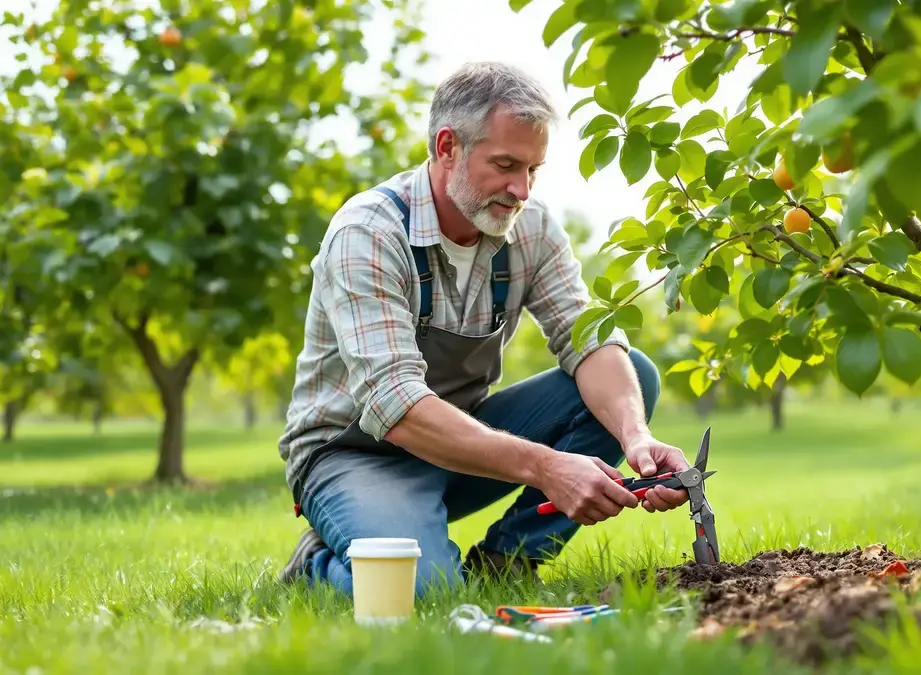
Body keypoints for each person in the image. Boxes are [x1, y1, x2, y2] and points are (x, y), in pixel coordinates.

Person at [275, 61, 691, 599]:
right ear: (447, 146)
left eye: (533, 169)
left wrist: (636, 438)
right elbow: (396, 405)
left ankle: (506, 563)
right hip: (355, 454)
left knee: (632, 372)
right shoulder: (368, 235)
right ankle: (316, 563)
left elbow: (587, 336)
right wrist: (547, 468)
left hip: (461, 442)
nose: (521, 189)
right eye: (505, 165)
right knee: (424, 594)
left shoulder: (532, 228)